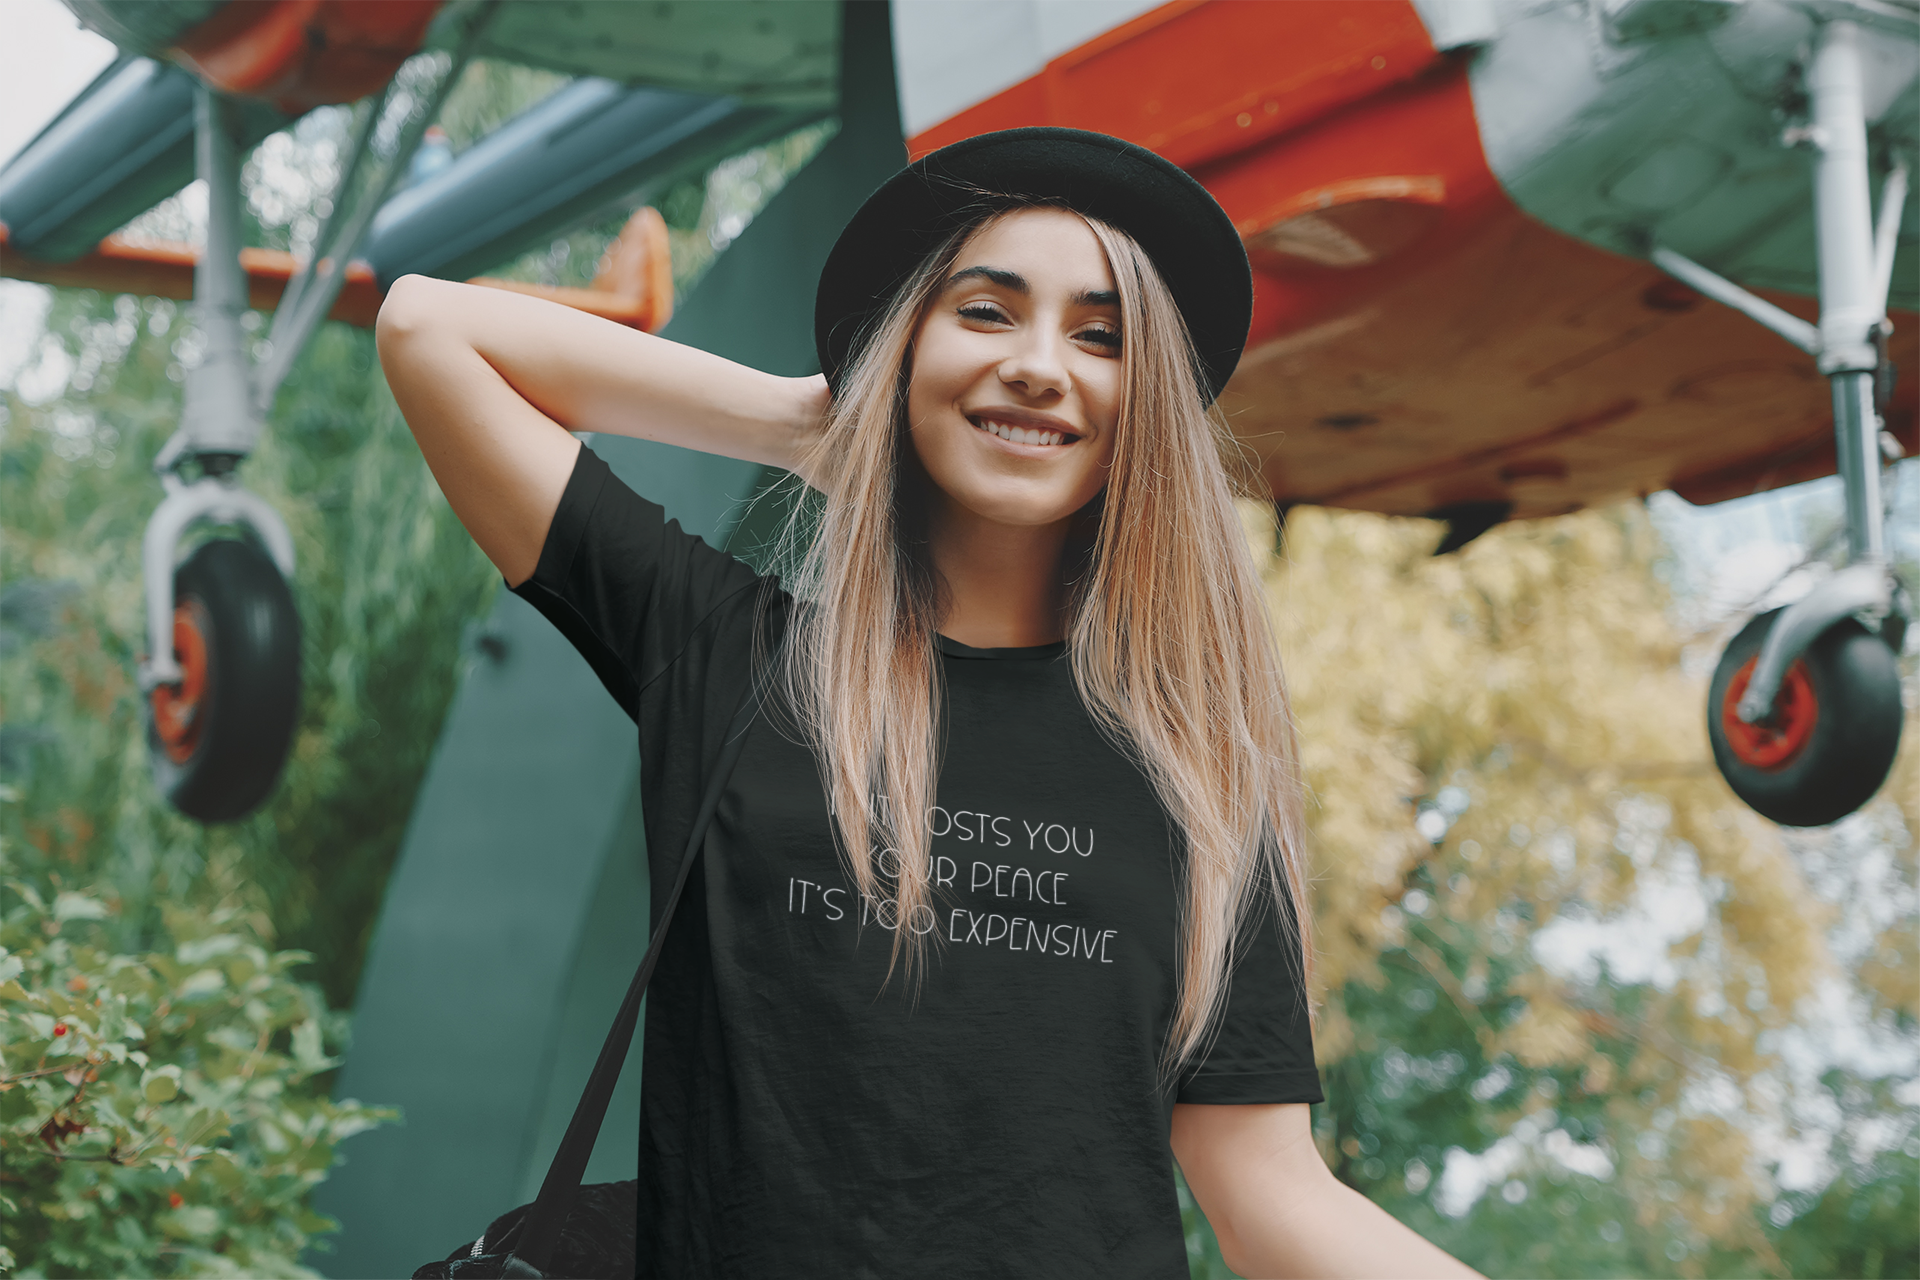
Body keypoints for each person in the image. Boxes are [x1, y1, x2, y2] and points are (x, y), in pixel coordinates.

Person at [378, 127, 1482, 1279]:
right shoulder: (730, 653)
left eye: (1100, 336)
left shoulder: (1201, 782)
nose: (1040, 364)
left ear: (1141, 403)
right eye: (987, 312)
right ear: (908, 345)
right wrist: (812, 422)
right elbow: (428, 329)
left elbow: (1269, 1195)